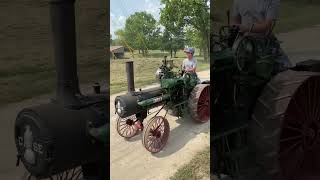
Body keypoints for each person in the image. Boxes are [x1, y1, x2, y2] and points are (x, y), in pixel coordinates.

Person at [230, 0, 292, 72]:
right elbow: (235, 23)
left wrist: (243, 28)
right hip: (247, 45)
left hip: (260, 44)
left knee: (287, 71)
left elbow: (266, 26)